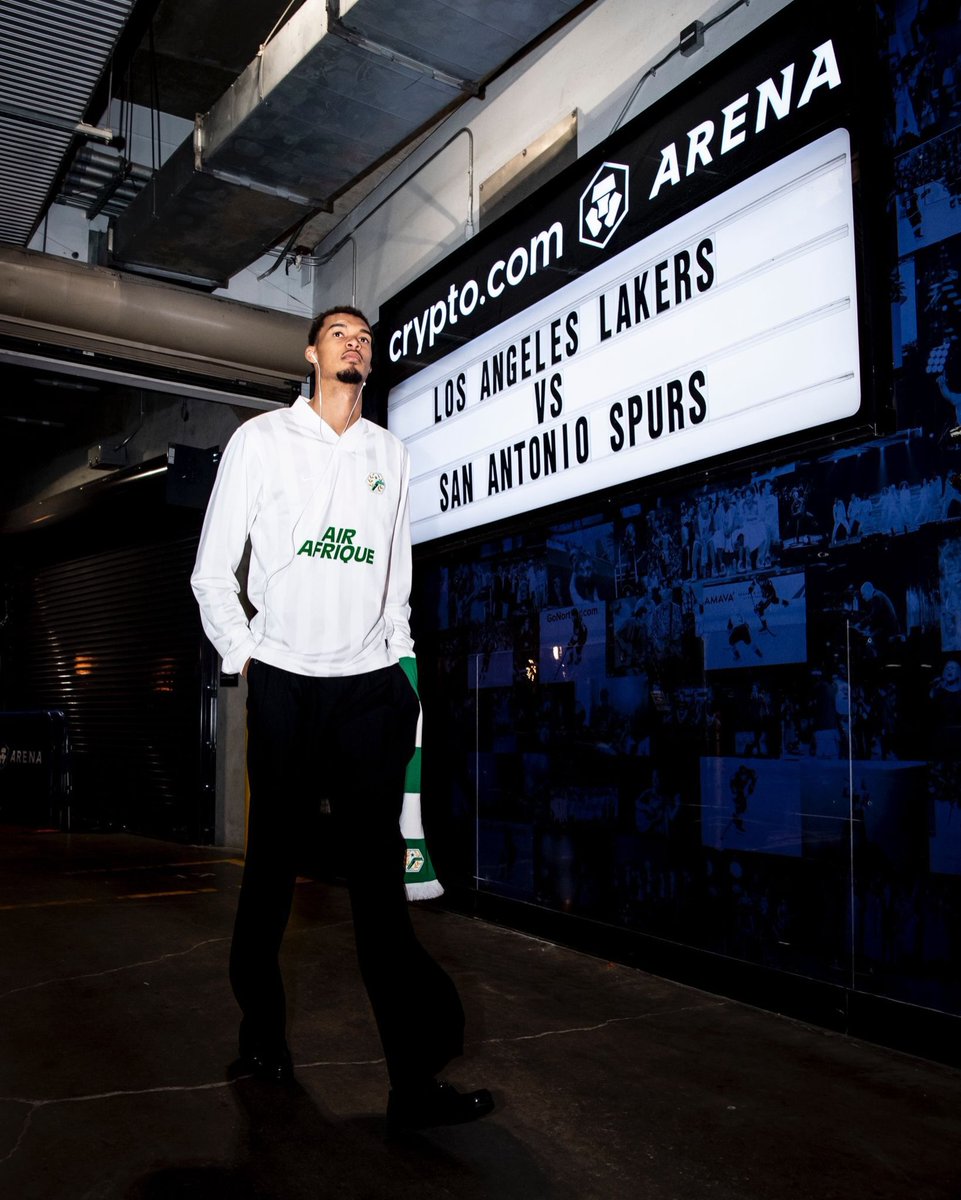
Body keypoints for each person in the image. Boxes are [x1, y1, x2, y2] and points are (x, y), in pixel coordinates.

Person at [191, 306, 492, 1132]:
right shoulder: (260, 441)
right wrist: (244, 655)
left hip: (368, 693)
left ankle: (410, 1082)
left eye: (365, 337)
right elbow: (213, 570)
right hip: (286, 683)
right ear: (310, 353)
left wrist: (401, 669)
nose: (356, 343)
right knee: (268, 882)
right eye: (340, 334)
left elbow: (394, 576)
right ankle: (262, 1040)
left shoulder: (389, 455)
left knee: (379, 896)